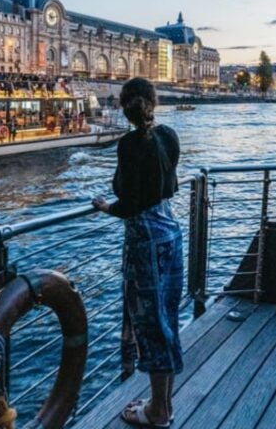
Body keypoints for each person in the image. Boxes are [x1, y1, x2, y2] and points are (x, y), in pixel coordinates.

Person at [92, 77, 182, 428]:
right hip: (170, 231)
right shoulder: (169, 135)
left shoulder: (130, 144)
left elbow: (129, 203)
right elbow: (168, 187)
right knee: (168, 320)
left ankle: (158, 412)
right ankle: (164, 403)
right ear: (154, 102)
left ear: (125, 107)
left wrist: (105, 207)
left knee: (149, 325)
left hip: (144, 239)